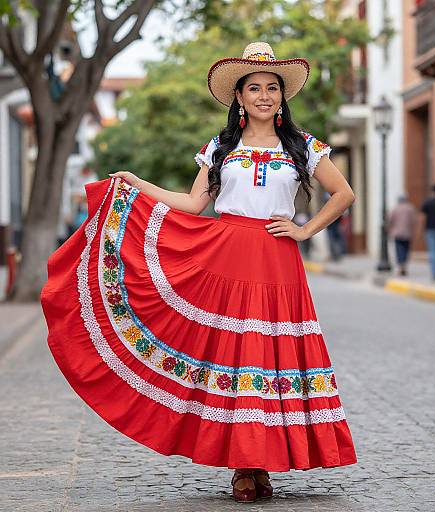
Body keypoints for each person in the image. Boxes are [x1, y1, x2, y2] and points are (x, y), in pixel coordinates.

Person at [40, 42, 357, 504]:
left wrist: (305, 229)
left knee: (271, 358)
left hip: (278, 261)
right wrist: (134, 183)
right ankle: (244, 468)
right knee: (233, 358)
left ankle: (262, 463)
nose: (264, 96)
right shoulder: (221, 147)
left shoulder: (303, 146)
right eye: (254, 89)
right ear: (240, 98)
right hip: (225, 256)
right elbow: (192, 204)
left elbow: (343, 193)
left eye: (272, 88)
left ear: (282, 96)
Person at [388, 195, 417, 276]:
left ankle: (401, 266)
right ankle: (404, 265)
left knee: (399, 249)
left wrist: (389, 229)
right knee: (406, 249)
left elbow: (390, 219)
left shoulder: (395, 208)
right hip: (407, 233)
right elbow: (414, 220)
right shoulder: (410, 208)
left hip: (397, 233)